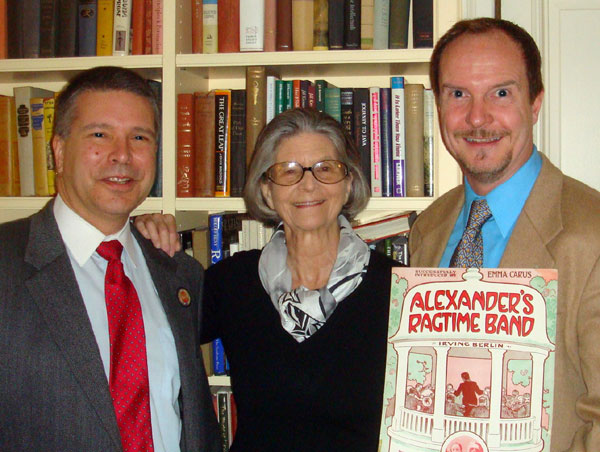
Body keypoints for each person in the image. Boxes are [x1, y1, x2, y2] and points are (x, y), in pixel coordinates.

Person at [137, 108, 398, 451]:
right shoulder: (232, 283)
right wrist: (136, 241)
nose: (308, 184)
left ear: (349, 183)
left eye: (325, 169)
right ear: (266, 190)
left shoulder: (398, 288)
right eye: (287, 171)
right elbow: (143, 329)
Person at [0, 66, 220, 451]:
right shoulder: (6, 264)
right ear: (59, 151)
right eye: (100, 135)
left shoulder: (180, 273)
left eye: (139, 137)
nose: (122, 155)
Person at [409, 17, 600, 451]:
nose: (477, 117)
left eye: (500, 93)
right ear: (438, 106)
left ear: (535, 103)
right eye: (458, 94)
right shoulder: (429, 228)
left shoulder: (593, 232)